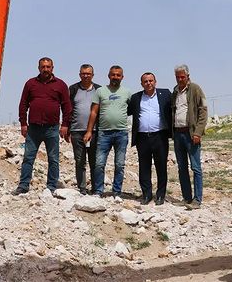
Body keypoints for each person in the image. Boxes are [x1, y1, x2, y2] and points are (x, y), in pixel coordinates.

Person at [13, 57, 71, 195]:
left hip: (52, 129)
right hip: (33, 128)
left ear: (52, 68)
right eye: (43, 67)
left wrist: (65, 125)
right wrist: (23, 123)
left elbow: (67, 107)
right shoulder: (30, 84)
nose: (46, 69)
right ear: (39, 68)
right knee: (28, 158)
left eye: (48, 67)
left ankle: (51, 186)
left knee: (54, 159)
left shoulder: (61, 85)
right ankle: (23, 185)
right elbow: (23, 104)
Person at [84, 65, 131, 197]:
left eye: (118, 75)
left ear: (122, 77)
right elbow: (93, 112)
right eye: (113, 74)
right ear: (108, 76)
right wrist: (88, 131)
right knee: (99, 163)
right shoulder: (100, 91)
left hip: (121, 133)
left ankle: (117, 192)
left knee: (120, 164)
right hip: (104, 133)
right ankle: (98, 190)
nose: (115, 77)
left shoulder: (127, 92)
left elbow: (131, 110)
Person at [128, 72, 172, 205]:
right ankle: (146, 195)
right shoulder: (136, 97)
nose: (148, 83)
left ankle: (160, 195)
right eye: (145, 81)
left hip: (160, 136)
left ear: (155, 82)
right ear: (141, 84)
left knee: (161, 166)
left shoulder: (165, 94)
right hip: (142, 137)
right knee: (144, 167)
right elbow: (127, 111)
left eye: (151, 81)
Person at [171, 64, 208, 209]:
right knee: (182, 167)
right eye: (177, 77)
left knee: (196, 167)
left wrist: (198, 132)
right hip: (178, 134)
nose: (180, 79)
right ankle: (186, 198)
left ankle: (197, 200)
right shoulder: (175, 91)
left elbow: (203, 111)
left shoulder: (195, 89)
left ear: (188, 76)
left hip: (191, 134)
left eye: (182, 77)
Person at [68, 64, 100, 194]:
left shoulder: (99, 90)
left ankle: (96, 188)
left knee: (95, 162)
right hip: (76, 131)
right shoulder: (73, 89)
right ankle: (82, 188)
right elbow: (68, 109)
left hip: (94, 131)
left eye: (88, 73)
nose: (86, 76)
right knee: (80, 161)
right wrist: (67, 127)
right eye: (83, 73)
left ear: (93, 75)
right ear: (79, 74)